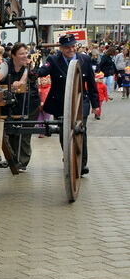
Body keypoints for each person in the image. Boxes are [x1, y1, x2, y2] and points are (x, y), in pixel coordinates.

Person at [36, 33, 100, 175]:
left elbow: (91, 83)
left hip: (80, 101)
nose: (70, 49)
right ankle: (69, 156)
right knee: (64, 132)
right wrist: (33, 70)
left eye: (72, 46)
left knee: (80, 130)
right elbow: (42, 71)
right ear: (61, 48)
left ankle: (81, 163)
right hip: (60, 102)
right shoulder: (53, 59)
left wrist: (96, 105)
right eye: (66, 47)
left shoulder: (85, 59)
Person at [2, 43, 41, 171]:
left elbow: (24, 80)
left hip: (30, 103)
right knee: (11, 132)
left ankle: (22, 162)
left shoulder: (29, 65)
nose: (24, 56)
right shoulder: (6, 64)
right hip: (11, 104)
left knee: (24, 133)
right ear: (13, 55)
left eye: (25, 53)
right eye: (21, 53)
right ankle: (13, 159)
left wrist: (20, 82)